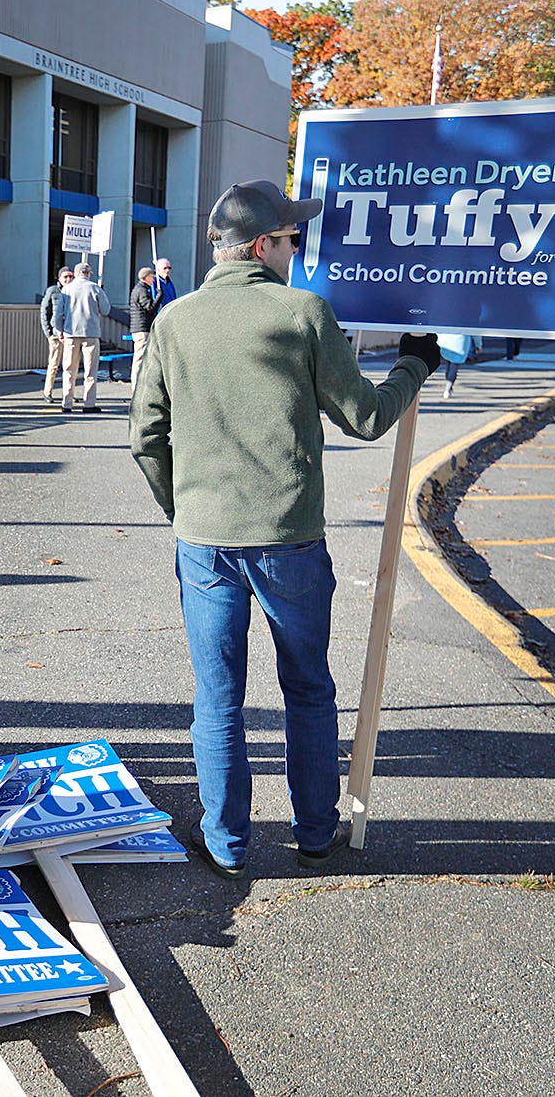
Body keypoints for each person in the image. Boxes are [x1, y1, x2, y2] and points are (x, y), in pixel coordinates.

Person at [129, 179, 440, 879]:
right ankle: (314, 831)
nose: (297, 249)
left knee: (218, 696)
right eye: (292, 239)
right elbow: (365, 416)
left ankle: (227, 843)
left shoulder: (174, 322)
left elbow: (144, 436)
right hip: (289, 536)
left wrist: (182, 509)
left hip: (204, 539)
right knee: (307, 688)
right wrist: (416, 363)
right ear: (263, 245)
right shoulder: (303, 312)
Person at [61, 262, 110, 413]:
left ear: (76, 274)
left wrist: (59, 331)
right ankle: (89, 403)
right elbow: (106, 310)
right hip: (90, 333)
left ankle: (67, 403)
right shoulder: (94, 288)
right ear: (88, 274)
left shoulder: (66, 289)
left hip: (71, 332)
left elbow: (58, 313)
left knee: (69, 370)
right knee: (90, 371)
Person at [39, 266, 73, 404]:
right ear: (59, 278)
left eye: (71, 276)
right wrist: (48, 333)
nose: (68, 279)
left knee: (70, 365)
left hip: (70, 334)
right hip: (55, 334)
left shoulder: (74, 291)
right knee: (53, 364)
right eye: (65, 276)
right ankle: (48, 392)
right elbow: (44, 312)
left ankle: (68, 393)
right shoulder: (53, 291)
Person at [128, 266, 159, 390]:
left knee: (140, 356)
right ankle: (136, 385)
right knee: (140, 357)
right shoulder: (142, 290)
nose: (154, 279)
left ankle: (137, 384)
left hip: (139, 327)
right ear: (146, 277)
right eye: (152, 276)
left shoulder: (140, 289)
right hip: (142, 328)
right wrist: (158, 298)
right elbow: (149, 308)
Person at [437, 333, 478, 399]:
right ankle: (448, 387)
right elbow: (476, 332)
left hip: (445, 340)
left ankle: (448, 386)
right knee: (454, 366)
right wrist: (478, 345)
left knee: (448, 364)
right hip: (460, 342)